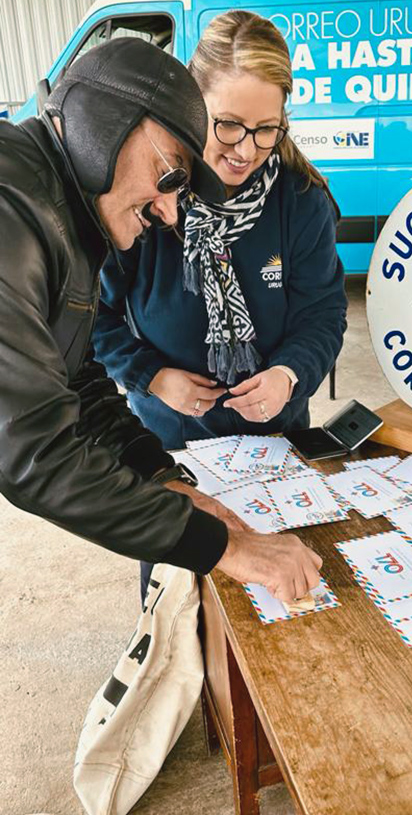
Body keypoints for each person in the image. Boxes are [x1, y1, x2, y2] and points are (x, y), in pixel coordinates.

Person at [0, 37, 322, 603]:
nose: (171, 211)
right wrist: (229, 548)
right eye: (171, 175)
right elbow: (35, 453)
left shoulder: (61, 210)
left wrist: (160, 478)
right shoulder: (12, 212)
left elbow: (75, 376)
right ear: (106, 123)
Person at [93, 10, 347, 452]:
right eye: (227, 124)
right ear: (191, 102)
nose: (246, 150)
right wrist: (150, 377)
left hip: (277, 442)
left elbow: (322, 313)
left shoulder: (302, 200)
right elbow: (94, 316)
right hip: (168, 440)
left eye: (266, 129)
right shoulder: (148, 195)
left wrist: (288, 375)